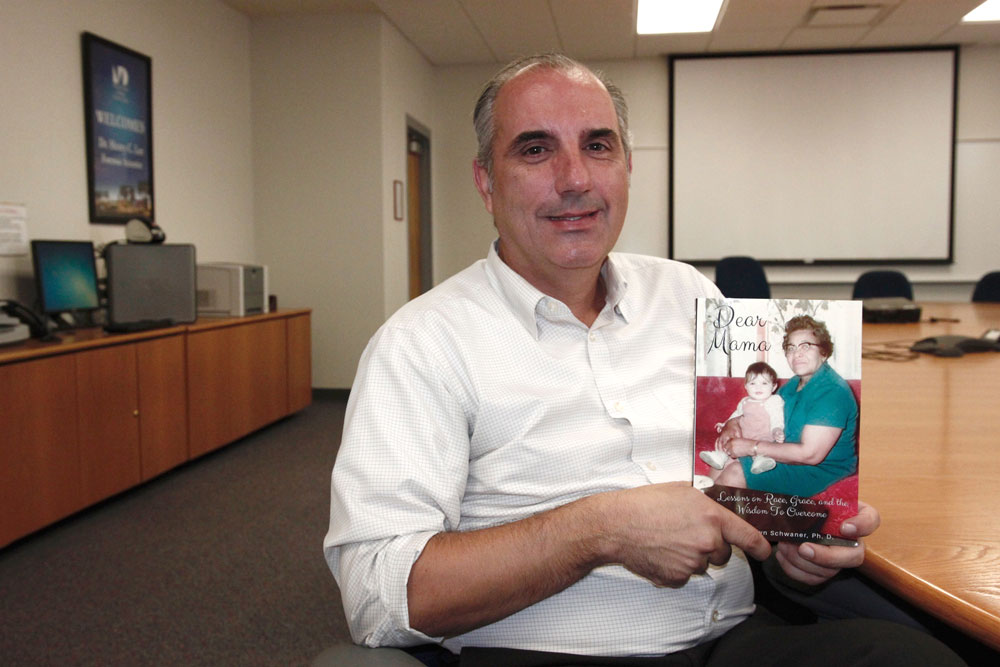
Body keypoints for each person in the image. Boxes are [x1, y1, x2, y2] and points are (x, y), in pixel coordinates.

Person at [324, 54, 961, 665]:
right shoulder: (420, 343)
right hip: (543, 655)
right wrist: (602, 530)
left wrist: (790, 542)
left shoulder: (690, 296)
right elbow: (377, 595)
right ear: (486, 182)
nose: (575, 179)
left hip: (733, 638)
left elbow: (745, 478)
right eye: (536, 149)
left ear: (627, 168)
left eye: (598, 146)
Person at [714, 316, 858, 497]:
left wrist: (752, 447)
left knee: (734, 473)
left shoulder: (833, 392)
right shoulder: (794, 384)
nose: (797, 353)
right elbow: (762, 407)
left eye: (806, 346)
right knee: (718, 465)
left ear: (824, 352)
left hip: (821, 469)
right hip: (788, 454)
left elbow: (810, 455)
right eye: (791, 348)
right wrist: (731, 424)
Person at [700, 361, 782, 478]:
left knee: (763, 449)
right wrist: (725, 424)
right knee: (729, 443)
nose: (758, 387)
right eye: (753, 383)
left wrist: (777, 430)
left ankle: (761, 461)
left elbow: (777, 417)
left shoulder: (774, 401)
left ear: (774, 387)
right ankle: (720, 457)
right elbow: (736, 415)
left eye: (764, 383)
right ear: (746, 386)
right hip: (743, 436)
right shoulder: (744, 401)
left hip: (762, 437)